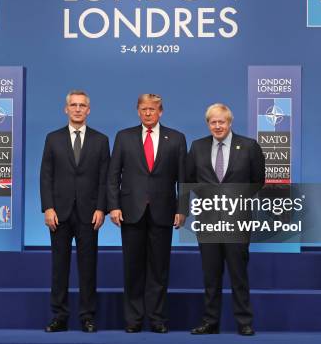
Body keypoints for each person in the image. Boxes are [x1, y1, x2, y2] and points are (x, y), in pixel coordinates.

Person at [107, 93, 186, 333]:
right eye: (143, 109)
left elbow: (184, 178)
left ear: (161, 111)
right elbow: (113, 176)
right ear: (138, 111)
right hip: (131, 212)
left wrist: (182, 209)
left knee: (159, 269)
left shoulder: (177, 138)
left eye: (152, 109)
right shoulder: (124, 137)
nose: (148, 113)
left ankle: (157, 319)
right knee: (133, 268)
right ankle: (134, 319)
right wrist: (114, 206)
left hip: (164, 212)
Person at [187, 103, 265, 336]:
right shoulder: (197, 147)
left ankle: (244, 322)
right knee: (211, 275)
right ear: (208, 124)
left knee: (238, 274)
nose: (218, 126)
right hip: (208, 219)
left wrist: (234, 199)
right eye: (213, 122)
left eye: (222, 121)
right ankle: (210, 322)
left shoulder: (249, 146)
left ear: (229, 123)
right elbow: (190, 179)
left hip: (237, 219)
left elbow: (258, 180)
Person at [40, 90, 110, 333]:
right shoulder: (53, 138)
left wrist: (102, 207)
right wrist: (47, 207)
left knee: (88, 268)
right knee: (59, 268)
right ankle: (59, 316)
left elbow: (105, 179)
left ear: (88, 110)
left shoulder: (101, 140)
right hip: (59, 213)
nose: (78, 109)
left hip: (89, 214)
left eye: (82, 105)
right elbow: (45, 176)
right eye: (73, 105)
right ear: (66, 109)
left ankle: (87, 316)